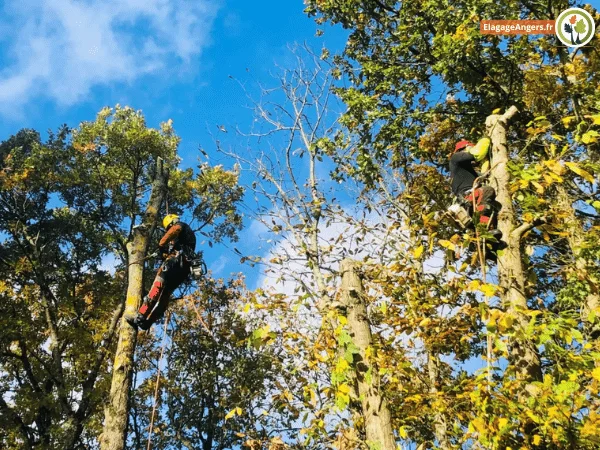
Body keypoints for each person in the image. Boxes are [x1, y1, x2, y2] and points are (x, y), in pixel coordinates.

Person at [126, 214, 197, 331]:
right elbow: (170, 251)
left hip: (174, 263)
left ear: (171, 223)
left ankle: (140, 316)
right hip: (183, 270)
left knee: (157, 286)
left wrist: (161, 244)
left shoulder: (180, 226)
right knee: (164, 297)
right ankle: (147, 323)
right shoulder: (186, 239)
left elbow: (175, 230)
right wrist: (164, 254)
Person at [449, 138, 500, 236]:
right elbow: (477, 153)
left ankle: (487, 240)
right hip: (467, 197)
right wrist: (486, 139)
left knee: (493, 210)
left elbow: (484, 174)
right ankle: (484, 230)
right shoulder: (456, 158)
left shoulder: (470, 172)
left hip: (470, 205)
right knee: (487, 191)